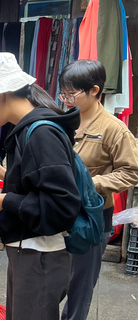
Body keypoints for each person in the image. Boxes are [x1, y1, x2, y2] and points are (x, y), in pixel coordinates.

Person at [0, 52, 81, 320]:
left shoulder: (41, 133)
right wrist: (2, 173)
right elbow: (40, 184)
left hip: (40, 256)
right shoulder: (30, 129)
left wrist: (5, 200)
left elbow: (62, 206)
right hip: (31, 252)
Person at [58, 60, 138, 320]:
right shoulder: (65, 120)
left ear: (94, 90)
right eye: (63, 93)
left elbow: (131, 171)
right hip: (60, 213)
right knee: (54, 280)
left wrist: (91, 183)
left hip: (91, 219)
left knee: (79, 287)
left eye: (72, 93)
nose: (67, 99)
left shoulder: (113, 129)